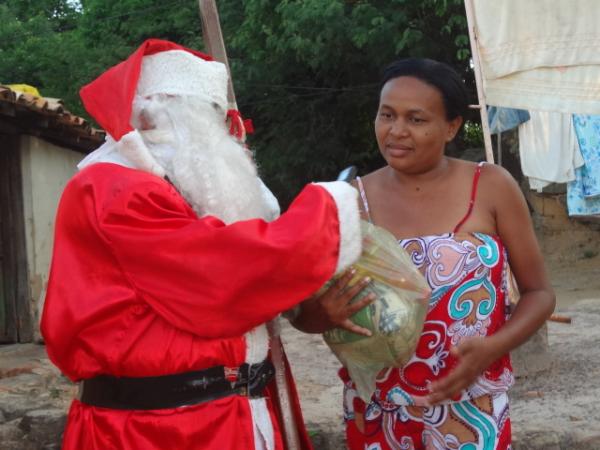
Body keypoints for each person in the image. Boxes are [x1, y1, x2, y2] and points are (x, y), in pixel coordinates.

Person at [40, 38, 370, 450]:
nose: (226, 134)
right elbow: (221, 276)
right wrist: (331, 204)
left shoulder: (173, 186)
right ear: (162, 115)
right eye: (213, 119)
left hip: (232, 415)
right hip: (159, 431)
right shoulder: (114, 187)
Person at [292, 58, 555, 449]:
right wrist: (318, 315)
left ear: (451, 127)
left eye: (416, 119)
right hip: (379, 416)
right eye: (387, 115)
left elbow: (540, 294)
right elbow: (300, 313)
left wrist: (492, 348)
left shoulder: (491, 186)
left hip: (474, 412)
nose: (396, 131)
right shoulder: (347, 201)